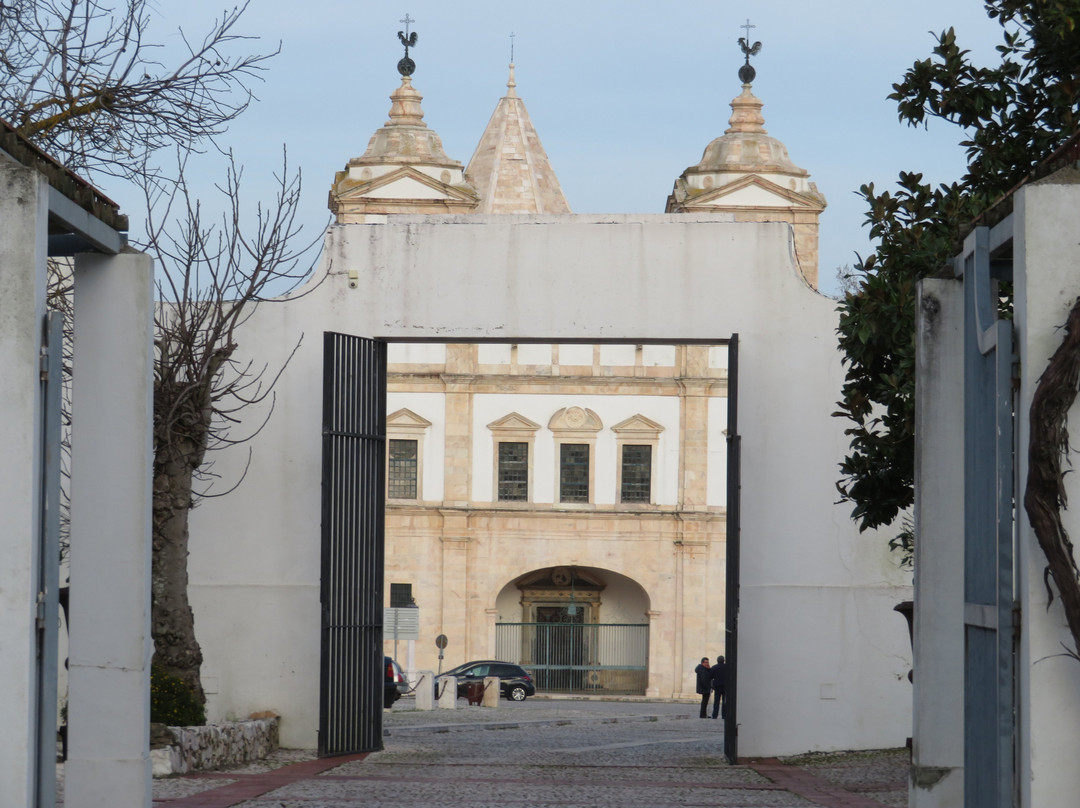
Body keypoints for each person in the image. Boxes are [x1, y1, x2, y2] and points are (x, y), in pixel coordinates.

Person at [711, 655, 726, 720]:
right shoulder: (727, 667)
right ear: (723, 660)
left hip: (717, 686)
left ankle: (715, 715)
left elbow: (711, 677)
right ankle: (724, 715)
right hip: (725, 686)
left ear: (717, 661)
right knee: (724, 702)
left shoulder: (714, 667)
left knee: (716, 701)